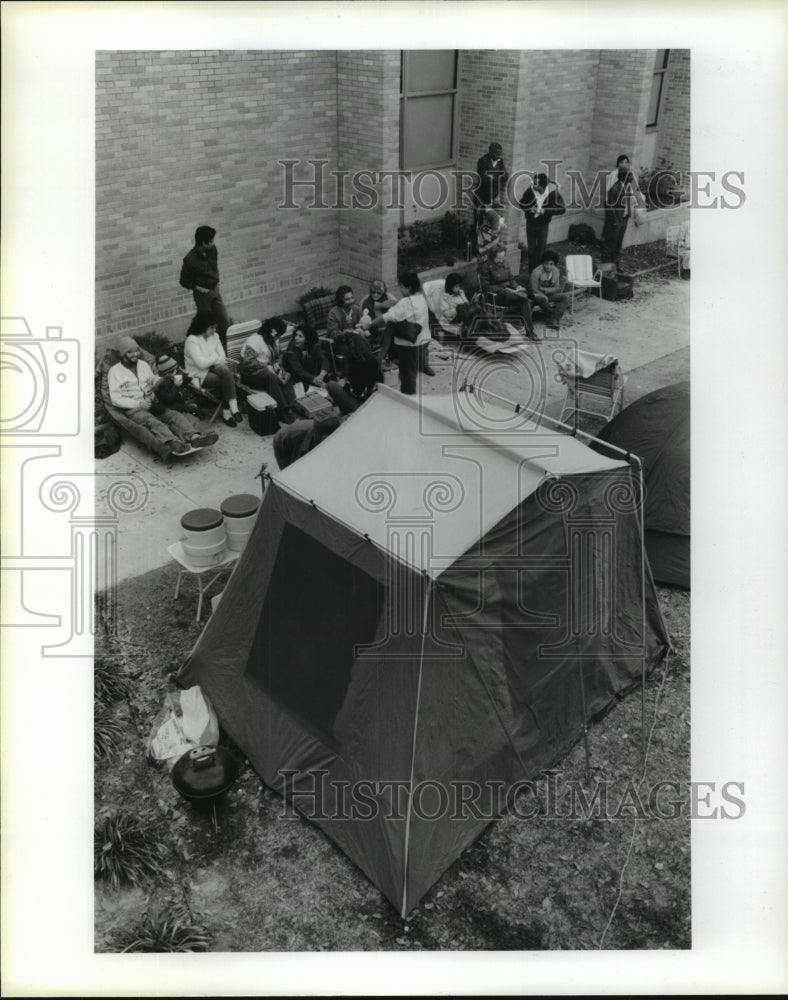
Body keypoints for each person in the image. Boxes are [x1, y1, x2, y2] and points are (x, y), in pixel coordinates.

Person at [107, 336, 217, 457]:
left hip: (153, 403)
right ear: (123, 354)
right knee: (152, 422)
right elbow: (115, 399)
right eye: (130, 352)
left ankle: (195, 437)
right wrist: (138, 404)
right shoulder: (115, 372)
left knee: (174, 415)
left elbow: (153, 380)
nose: (135, 354)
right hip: (134, 409)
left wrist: (172, 380)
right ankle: (173, 442)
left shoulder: (143, 365)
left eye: (136, 350)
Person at [281, 324, 361, 415]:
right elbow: (298, 371)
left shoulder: (312, 345)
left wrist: (322, 374)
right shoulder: (291, 348)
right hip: (296, 377)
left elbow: (324, 359)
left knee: (329, 385)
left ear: (307, 339)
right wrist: (317, 380)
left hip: (311, 374)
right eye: (296, 335)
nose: (296, 338)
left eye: (300, 336)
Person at [182, 311, 241, 427]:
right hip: (198, 375)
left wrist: (211, 360)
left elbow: (223, 357)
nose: (215, 330)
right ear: (203, 326)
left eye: (215, 327)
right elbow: (201, 365)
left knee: (225, 372)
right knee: (227, 379)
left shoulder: (215, 336)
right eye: (212, 327)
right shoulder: (192, 341)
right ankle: (229, 410)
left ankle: (232, 408)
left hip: (214, 368)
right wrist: (214, 357)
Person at [179, 225, 231, 351]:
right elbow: (183, 281)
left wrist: (215, 282)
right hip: (202, 295)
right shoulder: (190, 259)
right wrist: (198, 288)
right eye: (211, 241)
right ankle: (200, 348)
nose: (213, 243)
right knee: (205, 325)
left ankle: (224, 346)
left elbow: (213, 268)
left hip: (214, 290)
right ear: (203, 243)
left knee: (224, 320)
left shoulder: (213, 250)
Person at [383, 272, 432, 395]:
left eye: (402, 287)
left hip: (409, 346)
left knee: (407, 374)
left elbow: (388, 317)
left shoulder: (406, 302)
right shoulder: (422, 297)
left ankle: (408, 397)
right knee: (415, 365)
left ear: (408, 287)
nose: (400, 289)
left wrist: (370, 324)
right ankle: (423, 367)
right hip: (424, 340)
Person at [239, 317, 297, 424]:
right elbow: (247, 363)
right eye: (278, 335)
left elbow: (276, 357)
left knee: (286, 374)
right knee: (270, 375)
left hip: (265, 372)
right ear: (273, 332)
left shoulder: (273, 339)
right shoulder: (255, 340)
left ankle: (290, 406)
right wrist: (266, 366)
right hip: (250, 375)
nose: (278, 337)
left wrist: (278, 368)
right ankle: (282, 411)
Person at [480, 246, 537, 339]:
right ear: (492, 257)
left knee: (524, 301)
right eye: (499, 258)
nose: (501, 260)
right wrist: (500, 289)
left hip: (510, 292)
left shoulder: (505, 263)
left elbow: (511, 278)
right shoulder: (486, 267)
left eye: (503, 258)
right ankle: (530, 296)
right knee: (519, 296)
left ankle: (530, 331)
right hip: (497, 295)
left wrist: (516, 286)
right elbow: (485, 286)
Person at [517, 173, 566, 274]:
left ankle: (540, 275)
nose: (532, 185)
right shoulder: (531, 190)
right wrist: (529, 209)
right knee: (531, 252)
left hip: (543, 226)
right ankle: (531, 276)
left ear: (542, 186)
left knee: (541, 252)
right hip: (530, 224)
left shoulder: (553, 193)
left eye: (535, 184)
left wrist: (545, 211)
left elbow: (562, 209)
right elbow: (522, 203)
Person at [600, 155, 641, 270]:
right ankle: (606, 269)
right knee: (609, 245)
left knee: (618, 245)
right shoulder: (615, 189)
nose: (632, 177)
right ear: (624, 177)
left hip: (623, 219)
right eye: (630, 176)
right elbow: (608, 205)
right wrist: (614, 222)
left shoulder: (627, 187)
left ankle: (615, 267)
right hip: (615, 222)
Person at [273, 416, 340, 471]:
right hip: (281, 442)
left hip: (296, 435)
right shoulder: (305, 438)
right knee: (288, 471)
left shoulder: (332, 430)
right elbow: (297, 463)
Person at [359, 279, 398, 369]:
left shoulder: (387, 299)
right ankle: (374, 363)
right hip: (373, 329)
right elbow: (367, 321)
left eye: (378, 293)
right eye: (373, 292)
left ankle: (393, 358)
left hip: (388, 327)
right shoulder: (367, 303)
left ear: (383, 292)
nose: (375, 295)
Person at [529, 251, 571, 330]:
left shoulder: (556, 271)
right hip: (536, 295)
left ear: (554, 264)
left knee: (566, 297)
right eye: (546, 264)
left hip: (548, 294)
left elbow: (557, 288)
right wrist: (543, 295)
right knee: (543, 299)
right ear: (543, 263)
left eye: (551, 264)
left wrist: (544, 290)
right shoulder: (536, 272)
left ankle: (553, 319)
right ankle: (552, 316)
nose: (548, 266)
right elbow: (534, 289)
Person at [473, 141, 508, 225]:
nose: (499, 156)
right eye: (497, 154)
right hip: (481, 196)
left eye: (500, 154)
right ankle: (477, 237)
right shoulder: (482, 161)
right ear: (490, 153)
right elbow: (484, 179)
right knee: (479, 220)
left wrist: (493, 176)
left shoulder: (500, 161)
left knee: (491, 220)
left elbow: (505, 177)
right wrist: (498, 176)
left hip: (493, 197)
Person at [326, 285, 363, 355]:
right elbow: (333, 333)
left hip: (356, 339)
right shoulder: (333, 313)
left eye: (352, 298)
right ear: (340, 300)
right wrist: (346, 333)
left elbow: (362, 324)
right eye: (347, 299)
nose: (351, 301)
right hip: (340, 342)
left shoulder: (356, 308)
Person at [436, 272, 475, 339]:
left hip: (462, 317)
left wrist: (465, 301)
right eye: (456, 286)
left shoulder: (460, 292)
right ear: (450, 286)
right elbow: (447, 314)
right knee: (469, 328)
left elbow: (466, 304)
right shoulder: (444, 297)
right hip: (450, 320)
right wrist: (458, 308)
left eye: (459, 286)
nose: (459, 288)